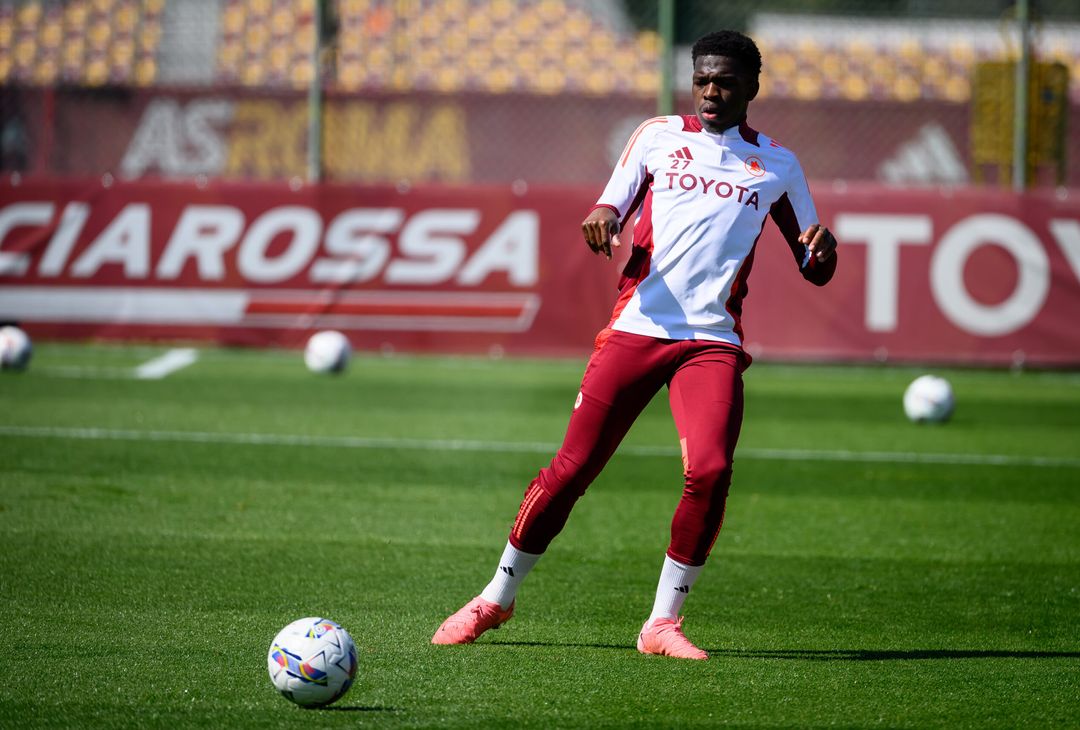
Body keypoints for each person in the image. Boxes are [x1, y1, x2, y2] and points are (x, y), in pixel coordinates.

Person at [432, 30, 838, 659]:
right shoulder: (656, 137)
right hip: (637, 328)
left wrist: (824, 252)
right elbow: (609, 205)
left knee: (710, 470)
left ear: (752, 87)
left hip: (711, 341)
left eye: (725, 80)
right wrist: (603, 217)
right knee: (571, 470)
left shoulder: (779, 166)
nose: (711, 90)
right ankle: (495, 597)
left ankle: (661, 624)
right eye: (702, 78)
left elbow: (812, 260)